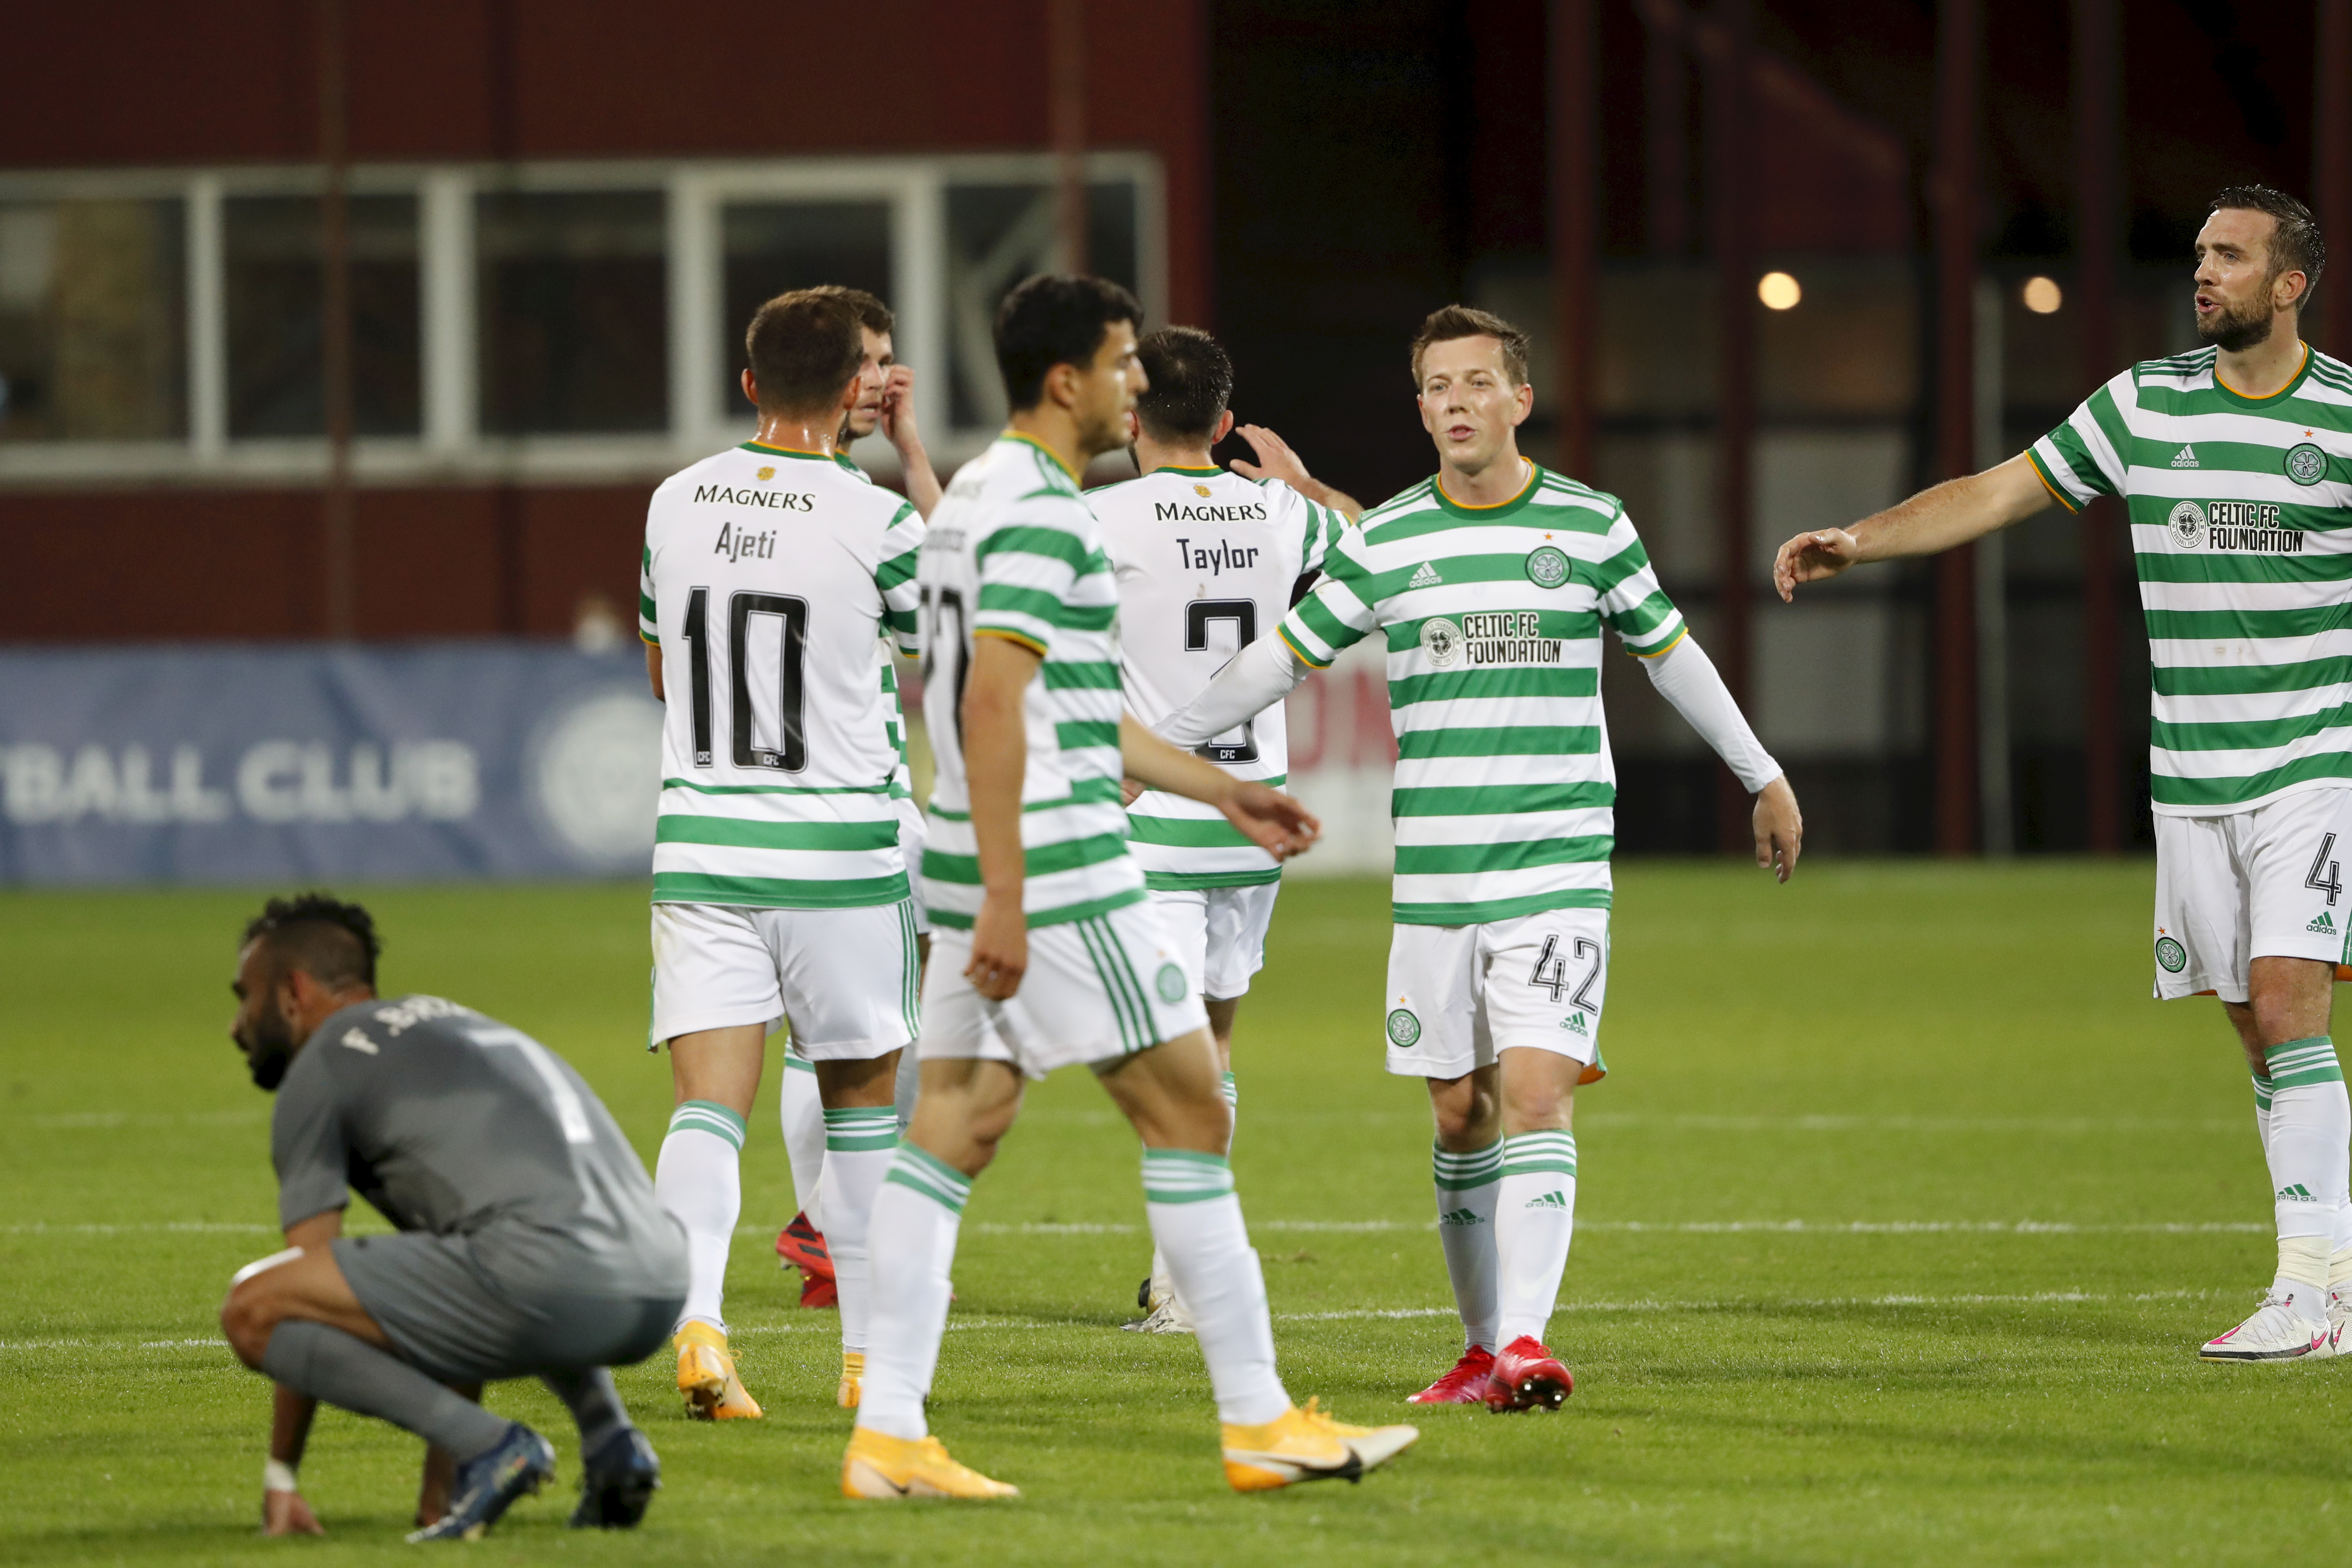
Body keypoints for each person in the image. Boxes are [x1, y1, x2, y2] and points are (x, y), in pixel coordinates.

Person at [1159, 304, 1803, 1410]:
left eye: (1474, 384)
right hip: (1438, 881)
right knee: (1460, 1114)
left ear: (1520, 399)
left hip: (1555, 864)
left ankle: (1526, 1342)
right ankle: (1478, 1350)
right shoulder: (1389, 540)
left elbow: (1672, 657)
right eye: (1435, 389)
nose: (1455, 404)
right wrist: (1161, 748)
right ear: (1421, 409)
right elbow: (1279, 661)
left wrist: (1763, 774)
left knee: (1541, 1095)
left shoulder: (1592, 526)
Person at [841, 273, 1420, 1500]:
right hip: (1055, 869)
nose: (1135, 384)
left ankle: (889, 1429)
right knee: (1193, 1112)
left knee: (950, 1131)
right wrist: (1009, 893)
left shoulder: (983, 500)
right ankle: (1259, 1422)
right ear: (1067, 382)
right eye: (1118, 364)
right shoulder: (1047, 515)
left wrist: (1219, 791)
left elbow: (1068, 706)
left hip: (980, 857)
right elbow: (993, 707)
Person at [1774, 184, 2352, 1362]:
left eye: (2232, 258)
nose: (2205, 273)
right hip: (2193, 775)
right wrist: (1862, 539)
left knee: (2292, 1002)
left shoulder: (2344, 418)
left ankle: (2315, 1292)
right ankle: (2327, 1262)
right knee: (2257, 1029)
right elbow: (1996, 490)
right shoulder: (2145, 405)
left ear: (2292, 285)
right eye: (2200, 254)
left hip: (2314, 759)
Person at [639, 288, 925, 1417]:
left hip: (705, 845)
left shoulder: (673, 502)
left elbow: (666, 673)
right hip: (841, 854)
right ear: (860, 387)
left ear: (752, 384)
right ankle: (863, 1360)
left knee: (707, 1109)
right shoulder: (879, 516)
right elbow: (949, 645)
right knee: (861, 1108)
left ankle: (700, 1323)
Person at [216, 894, 681, 1543]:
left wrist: (282, 1476)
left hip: (552, 1276)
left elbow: (302, 1288)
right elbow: (452, 1295)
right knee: (483, 1259)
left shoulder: (322, 1066)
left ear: (293, 992)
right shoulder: (452, 1024)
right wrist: (435, 1499)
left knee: (253, 1308)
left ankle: (496, 1447)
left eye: (246, 997)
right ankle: (612, 1445)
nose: (238, 1026)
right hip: (661, 1276)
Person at [1087, 325, 1353, 1333]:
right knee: (1217, 1048)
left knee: (1164, 1063)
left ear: (1128, 417)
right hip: (1253, 819)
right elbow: (1385, 552)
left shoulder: (1099, 520)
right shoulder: (1281, 514)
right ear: (1228, 422)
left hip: (1153, 812)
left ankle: (1186, 1286)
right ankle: (1178, 1279)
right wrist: (1311, 486)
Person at [772, 285, 940, 1311]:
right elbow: (957, 611)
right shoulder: (860, 512)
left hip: (751, 808)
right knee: (912, 1014)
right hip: (855, 801)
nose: (883, 378)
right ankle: (833, 1222)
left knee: (826, 1032)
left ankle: (826, 1232)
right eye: (869, 361)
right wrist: (915, 463)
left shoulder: (722, 495)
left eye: (889, 356)